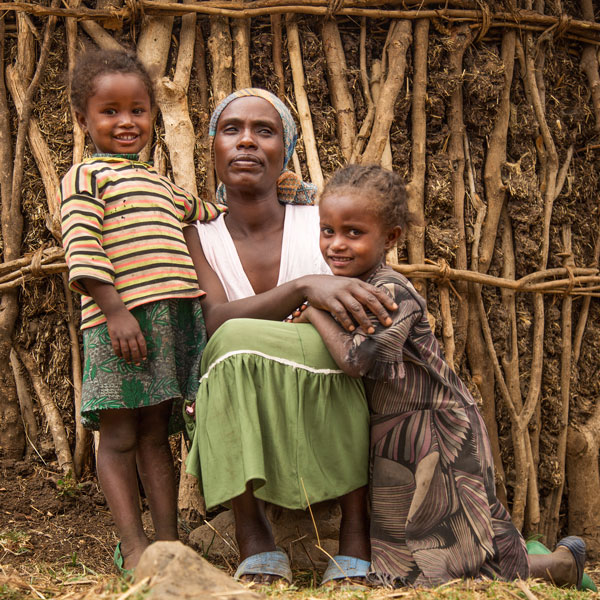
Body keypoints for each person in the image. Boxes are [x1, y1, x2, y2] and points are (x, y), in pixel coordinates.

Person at [291, 163, 587, 588]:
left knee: (444, 558)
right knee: (453, 554)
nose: (336, 244)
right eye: (327, 231)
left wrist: (315, 312)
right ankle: (562, 565)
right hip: (401, 435)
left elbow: (359, 361)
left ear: (390, 238)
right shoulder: (350, 287)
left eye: (353, 232)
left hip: (439, 431)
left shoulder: (392, 291)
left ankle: (560, 565)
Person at [183, 88, 397, 586]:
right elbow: (214, 321)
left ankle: (355, 535)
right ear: (213, 146)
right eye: (231, 129)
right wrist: (303, 286)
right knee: (232, 344)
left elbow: (367, 309)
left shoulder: (320, 224)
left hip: (328, 383)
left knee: (332, 350)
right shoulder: (198, 234)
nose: (246, 142)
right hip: (245, 388)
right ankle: (253, 535)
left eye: (265, 131)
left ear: (286, 150)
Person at [60, 49, 225, 573]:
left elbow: (210, 212)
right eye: (110, 111)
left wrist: (290, 191)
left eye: (138, 110)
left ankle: (168, 547)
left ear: (153, 114)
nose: (126, 122)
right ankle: (133, 548)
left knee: (158, 434)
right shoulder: (85, 179)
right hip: (121, 323)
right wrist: (115, 312)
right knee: (120, 435)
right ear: (83, 120)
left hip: (168, 324)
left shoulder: (160, 184)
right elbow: (82, 251)